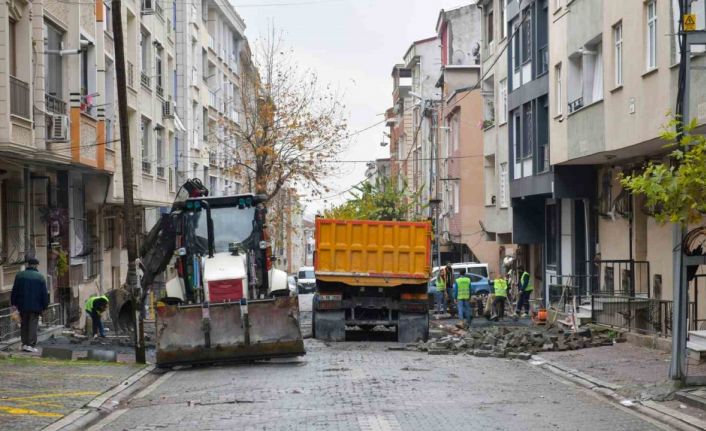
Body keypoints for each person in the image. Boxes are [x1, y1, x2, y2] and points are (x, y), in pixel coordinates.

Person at [10, 258, 49, 353]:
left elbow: (15, 290)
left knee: (24, 324)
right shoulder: (40, 277)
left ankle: (24, 344)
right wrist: (45, 306)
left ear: (28, 265)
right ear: (36, 265)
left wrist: (14, 303)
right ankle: (30, 345)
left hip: (22, 305)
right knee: (33, 325)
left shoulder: (19, 275)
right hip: (36, 306)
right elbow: (44, 293)